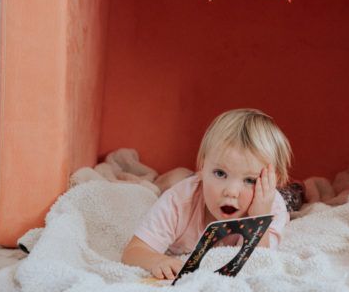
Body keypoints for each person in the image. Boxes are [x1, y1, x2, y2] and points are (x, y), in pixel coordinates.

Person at [121, 109, 292, 280]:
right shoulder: (179, 201)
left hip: (281, 198)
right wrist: (156, 260)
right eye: (220, 173)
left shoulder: (271, 206)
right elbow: (133, 252)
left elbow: (258, 264)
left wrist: (258, 219)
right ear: (202, 167)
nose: (231, 192)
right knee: (174, 179)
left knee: (293, 196)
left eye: (250, 180)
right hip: (189, 183)